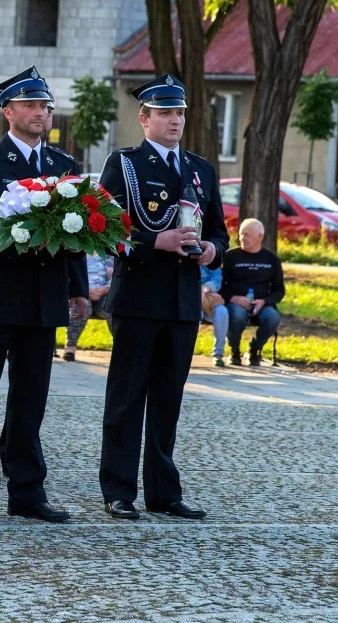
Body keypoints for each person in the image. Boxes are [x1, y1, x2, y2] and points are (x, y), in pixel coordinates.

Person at [0, 66, 88, 524]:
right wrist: (15, 233)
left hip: (45, 296)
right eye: (30, 105)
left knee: (31, 399)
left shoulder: (62, 166)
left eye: (45, 106)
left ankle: (27, 490)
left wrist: (79, 291)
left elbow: (79, 233)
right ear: (8, 111)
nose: (40, 113)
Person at [97, 73, 229, 521]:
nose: (175, 120)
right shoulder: (125, 164)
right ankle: (118, 490)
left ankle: (163, 492)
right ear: (144, 118)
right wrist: (158, 242)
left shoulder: (200, 169)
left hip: (182, 301)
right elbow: (108, 229)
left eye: (180, 112)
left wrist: (211, 249)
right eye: (166, 113)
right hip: (138, 296)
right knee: (127, 397)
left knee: (168, 399)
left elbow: (218, 233)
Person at [221, 218, 284, 366]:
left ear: (260, 237)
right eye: (241, 234)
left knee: (273, 318)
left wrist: (264, 301)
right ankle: (234, 350)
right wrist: (233, 298)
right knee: (237, 315)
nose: (243, 238)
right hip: (236, 302)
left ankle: (254, 349)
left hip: (262, 303)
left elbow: (279, 290)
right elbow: (220, 284)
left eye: (247, 235)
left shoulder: (271, 259)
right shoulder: (231, 257)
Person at [62, 253, 114, 361]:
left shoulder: (110, 253)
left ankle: (119, 347)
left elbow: (117, 276)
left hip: (105, 293)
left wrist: (105, 289)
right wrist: (84, 291)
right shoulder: (78, 253)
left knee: (112, 307)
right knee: (79, 305)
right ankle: (70, 348)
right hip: (84, 292)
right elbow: (75, 276)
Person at [200, 265, 229, 366]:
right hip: (189, 298)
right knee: (196, 313)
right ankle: (186, 352)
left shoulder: (211, 259)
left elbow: (217, 281)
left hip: (209, 299)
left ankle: (218, 354)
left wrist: (204, 289)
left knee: (222, 312)